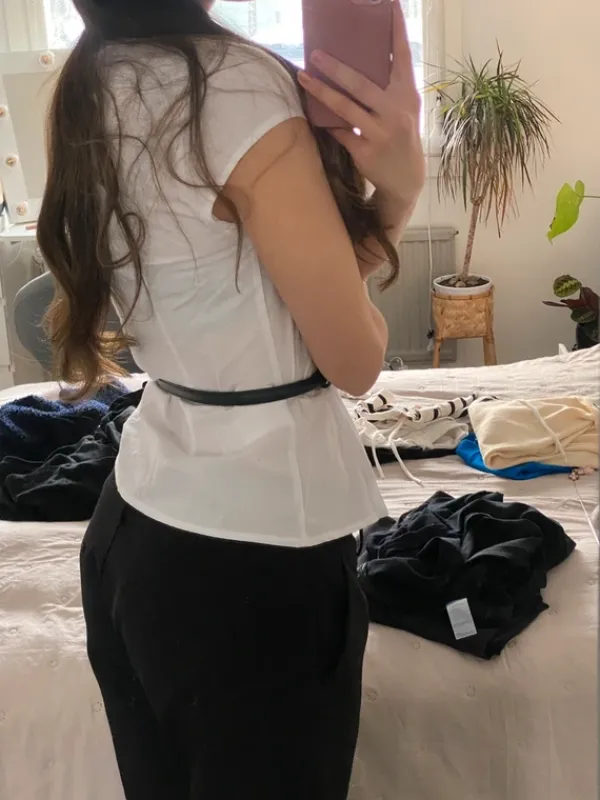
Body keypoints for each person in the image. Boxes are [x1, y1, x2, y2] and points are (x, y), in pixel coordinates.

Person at [37, 0, 424, 797]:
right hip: (251, 560)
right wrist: (401, 191)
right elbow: (354, 358)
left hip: (134, 528)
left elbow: (273, 284)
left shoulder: (93, 75)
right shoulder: (233, 83)